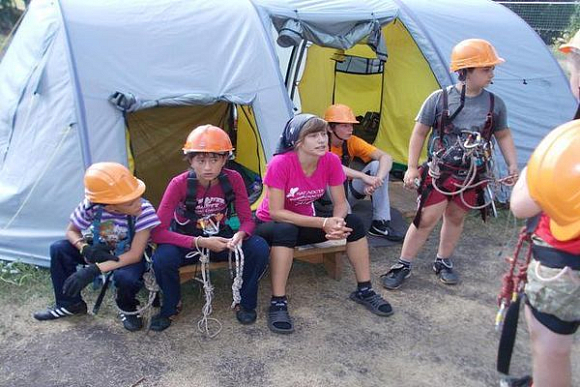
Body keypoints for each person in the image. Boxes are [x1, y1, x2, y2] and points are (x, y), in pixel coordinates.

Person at [381, 38, 518, 290]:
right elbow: (419, 132)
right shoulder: (439, 99)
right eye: (486, 69)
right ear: (465, 71)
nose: (491, 74)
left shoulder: (494, 104)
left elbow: (503, 135)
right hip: (441, 172)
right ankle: (403, 263)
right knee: (425, 218)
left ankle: (442, 261)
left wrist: (512, 165)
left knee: (455, 217)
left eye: (491, 69)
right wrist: (412, 167)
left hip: (472, 174)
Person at [255, 114, 393, 335]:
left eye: (323, 134)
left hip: (306, 222)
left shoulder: (329, 161)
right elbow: (277, 212)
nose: (321, 140)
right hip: (269, 226)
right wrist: (323, 222)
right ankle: (278, 302)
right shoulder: (280, 164)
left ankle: (364, 290)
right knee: (286, 229)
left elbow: (340, 203)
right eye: (313, 135)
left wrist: (337, 222)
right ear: (298, 141)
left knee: (354, 223)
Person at [150, 125, 269, 331]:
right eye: (200, 160)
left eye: (214, 159)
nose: (207, 167)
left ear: (225, 159)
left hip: (220, 237)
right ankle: (171, 305)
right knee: (162, 258)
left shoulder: (233, 179)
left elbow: (247, 219)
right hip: (187, 240)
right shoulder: (179, 184)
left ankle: (245, 302)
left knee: (258, 247)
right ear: (190, 160)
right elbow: (157, 232)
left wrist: (240, 235)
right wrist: (199, 242)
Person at [33, 162, 161, 331]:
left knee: (126, 278)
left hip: (129, 254)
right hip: (101, 248)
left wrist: (93, 270)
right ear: (109, 205)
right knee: (59, 249)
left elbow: (135, 255)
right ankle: (70, 304)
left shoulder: (144, 211)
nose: (138, 203)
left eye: (137, 195)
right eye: (130, 202)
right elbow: (71, 231)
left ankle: (127, 306)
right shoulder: (92, 205)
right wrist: (84, 248)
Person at [509, 119, 580, 387]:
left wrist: (538, 162)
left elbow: (521, 205)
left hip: (564, 264)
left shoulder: (569, 142)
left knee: (551, 348)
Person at [323, 103, 404, 241]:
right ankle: (345, 224)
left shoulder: (351, 141)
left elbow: (386, 157)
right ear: (330, 128)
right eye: (344, 126)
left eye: (351, 125)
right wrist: (363, 177)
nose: (350, 129)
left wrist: (376, 180)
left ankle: (380, 223)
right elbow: (332, 167)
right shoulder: (319, 142)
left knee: (378, 165)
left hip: (346, 192)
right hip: (324, 200)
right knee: (332, 178)